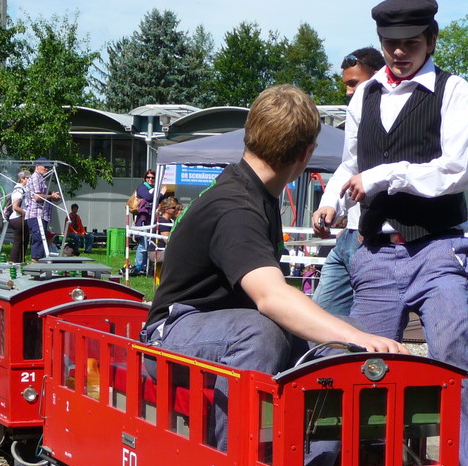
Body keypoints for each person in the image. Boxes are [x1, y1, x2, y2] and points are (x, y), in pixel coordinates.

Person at [311, 0, 468, 466]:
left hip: (436, 249)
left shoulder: (454, 90)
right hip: (376, 252)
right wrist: (332, 202)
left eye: (409, 44)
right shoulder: (365, 96)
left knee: (452, 358)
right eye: (390, 45)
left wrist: (383, 178)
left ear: (431, 41)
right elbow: (351, 163)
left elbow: (455, 171)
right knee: (363, 367)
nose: (398, 53)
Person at [142, 84, 406, 377]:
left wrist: (356, 337)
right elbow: (271, 297)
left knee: (349, 333)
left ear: (249, 133)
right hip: (171, 335)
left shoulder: (255, 192)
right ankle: (244, 425)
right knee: (261, 334)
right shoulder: (236, 206)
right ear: (306, 153)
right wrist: (356, 340)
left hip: (224, 326)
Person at [312, 47, 386, 316]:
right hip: (351, 236)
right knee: (320, 319)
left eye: (353, 83)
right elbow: (350, 164)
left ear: (377, 77)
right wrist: (329, 205)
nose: (347, 92)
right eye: (346, 84)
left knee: (369, 326)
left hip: (379, 242)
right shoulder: (357, 111)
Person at [24, 158, 61, 260]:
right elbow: (37, 197)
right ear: (37, 166)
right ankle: (36, 261)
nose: (46, 169)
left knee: (43, 239)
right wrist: (50, 196)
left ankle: (40, 260)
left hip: (42, 215)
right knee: (39, 239)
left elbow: (41, 196)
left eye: (47, 167)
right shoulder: (35, 177)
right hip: (36, 215)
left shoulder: (41, 179)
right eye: (44, 166)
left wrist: (52, 197)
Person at [132, 169, 156, 275]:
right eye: (148, 177)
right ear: (145, 178)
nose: (150, 179)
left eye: (152, 177)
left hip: (153, 220)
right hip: (143, 220)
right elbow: (149, 197)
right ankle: (138, 266)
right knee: (143, 244)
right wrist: (160, 193)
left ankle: (146, 267)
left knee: (150, 244)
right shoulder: (142, 187)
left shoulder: (155, 188)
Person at [7, 171, 29, 263]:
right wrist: (27, 214)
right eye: (28, 178)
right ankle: (13, 261)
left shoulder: (23, 189)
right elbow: (15, 207)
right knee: (18, 242)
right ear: (22, 178)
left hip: (20, 218)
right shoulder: (19, 189)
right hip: (18, 218)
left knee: (23, 242)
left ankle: (20, 262)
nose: (30, 180)